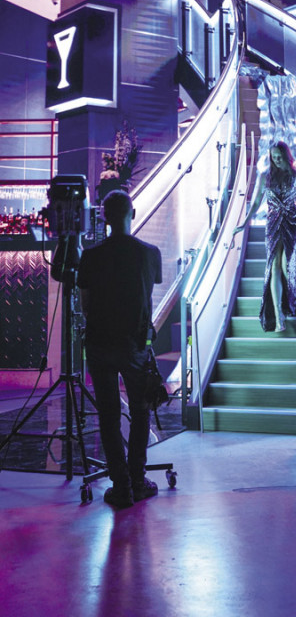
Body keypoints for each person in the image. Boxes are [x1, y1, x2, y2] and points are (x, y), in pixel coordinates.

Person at [77, 190, 163, 508]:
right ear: (133, 213)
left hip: (99, 343)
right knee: (140, 411)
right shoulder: (150, 253)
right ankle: (138, 479)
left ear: (103, 217)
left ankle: (121, 485)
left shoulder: (90, 256)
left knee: (109, 415)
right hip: (134, 344)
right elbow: (147, 297)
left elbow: (85, 306)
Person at [234, 141, 296, 332]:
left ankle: (287, 302)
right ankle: (278, 317)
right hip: (273, 224)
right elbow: (256, 203)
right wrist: (244, 223)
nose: (276, 160)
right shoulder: (264, 176)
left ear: (286, 156)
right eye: (273, 157)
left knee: (286, 267)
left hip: (293, 223)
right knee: (274, 268)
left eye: (279, 156)